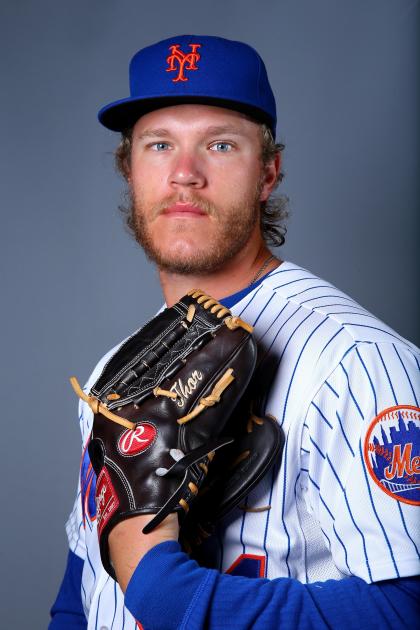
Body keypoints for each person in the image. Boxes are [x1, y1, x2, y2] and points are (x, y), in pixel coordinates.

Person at [50, 35, 419, 629]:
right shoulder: (114, 373)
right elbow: (83, 596)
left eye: (220, 145)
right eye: (159, 144)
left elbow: (407, 611)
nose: (184, 174)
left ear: (268, 173)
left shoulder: (357, 360)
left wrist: (164, 589)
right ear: (130, 169)